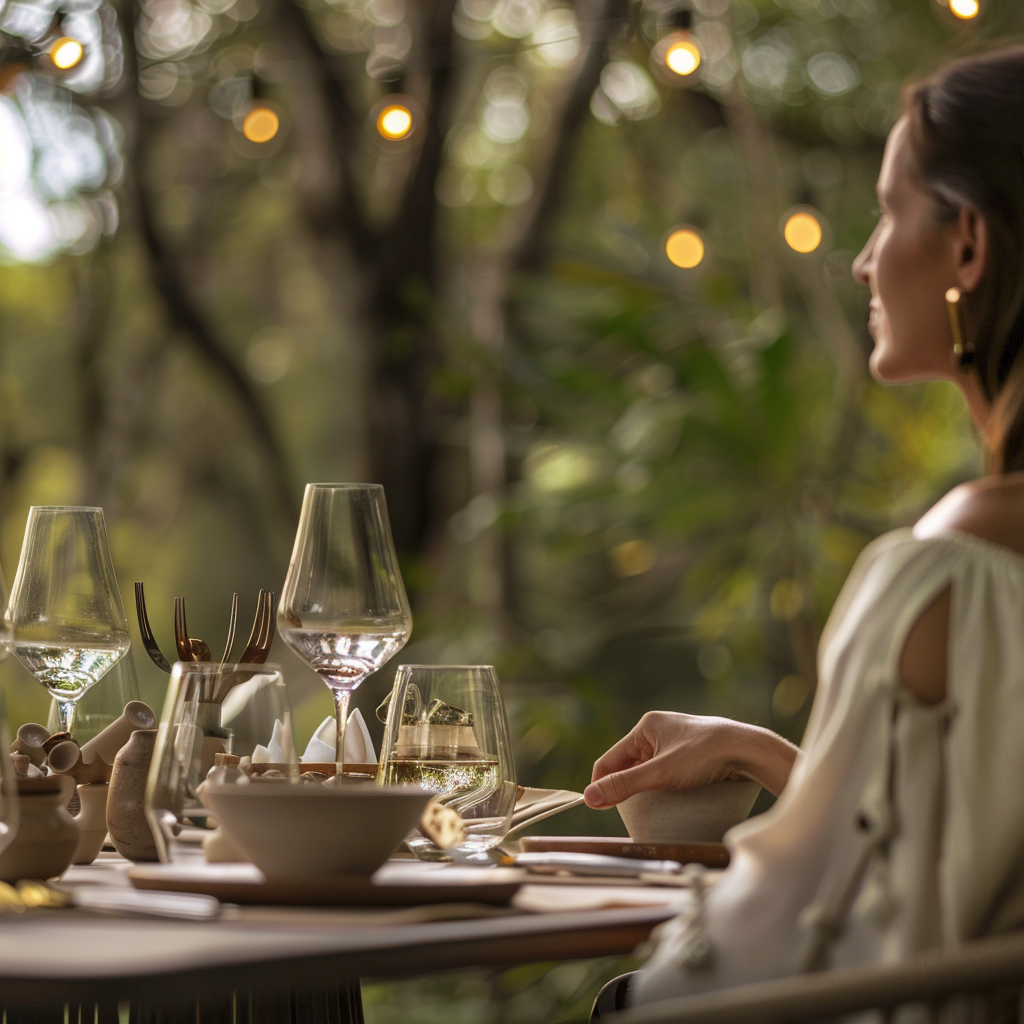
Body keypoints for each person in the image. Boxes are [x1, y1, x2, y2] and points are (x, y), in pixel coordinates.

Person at [587, 45, 1024, 1011]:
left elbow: (780, 928)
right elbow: (976, 837)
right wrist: (760, 753)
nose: (864, 259)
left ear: (968, 247)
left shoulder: (943, 576)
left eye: (889, 210)